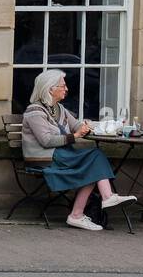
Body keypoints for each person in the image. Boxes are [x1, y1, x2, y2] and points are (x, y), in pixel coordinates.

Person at [21, 69, 136, 231]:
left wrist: (103, 126)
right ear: (50, 89)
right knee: (94, 157)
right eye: (63, 86)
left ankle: (78, 214)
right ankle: (102, 199)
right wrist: (75, 136)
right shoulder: (34, 111)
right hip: (46, 158)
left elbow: (78, 126)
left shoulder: (59, 108)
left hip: (62, 154)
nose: (66, 89)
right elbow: (46, 141)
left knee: (94, 161)